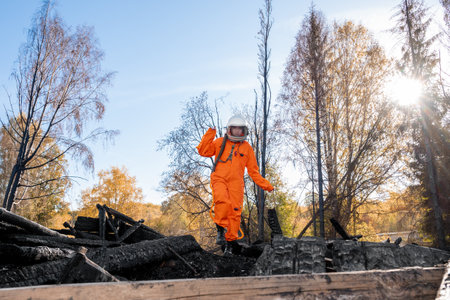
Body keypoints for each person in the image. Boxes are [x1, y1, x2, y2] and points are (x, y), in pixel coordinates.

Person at [196, 115, 274, 256]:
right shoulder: (220, 142)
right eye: (234, 128)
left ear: (244, 131)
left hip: (236, 184)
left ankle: (230, 246)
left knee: (235, 213)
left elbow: (253, 171)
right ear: (229, 129)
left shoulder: (247, 148)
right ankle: (220, 229)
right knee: (222, 201)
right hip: (219, 178)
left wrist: (266, 185)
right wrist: (210, 133)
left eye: (240, 128)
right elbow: (203, 151)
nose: (237, 131)